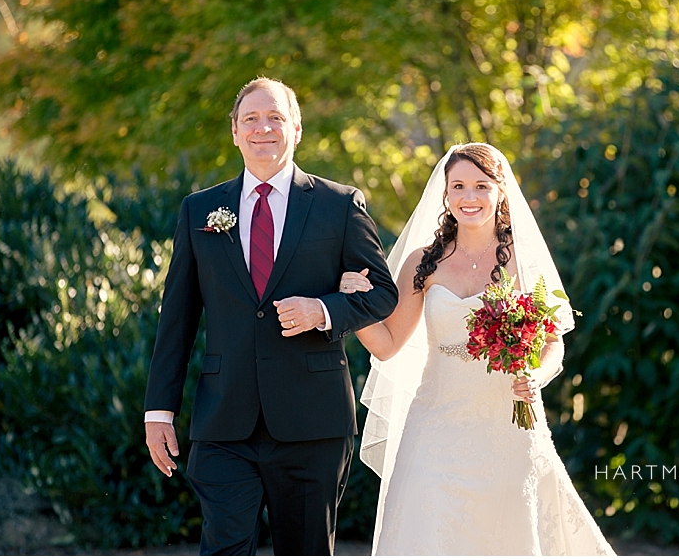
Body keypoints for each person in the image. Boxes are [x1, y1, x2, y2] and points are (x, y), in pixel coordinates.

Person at [143, 77, 398, 555]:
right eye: (251, 119)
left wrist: (323, 309)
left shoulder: (339, 204)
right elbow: (176, 317)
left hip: (313, 423)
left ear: (296, 129)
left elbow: (383, 294)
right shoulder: (200, 210)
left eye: (276, 117)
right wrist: (160, 409)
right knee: (224, 547)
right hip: (223, 424)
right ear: (235, 132)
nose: (264, 128)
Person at [341, 143, 615, 555]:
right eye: (459, 186)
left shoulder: (523, 260)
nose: (469, 197)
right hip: (434, 424)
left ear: (500, 191)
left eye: (481, 186)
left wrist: (538, 375)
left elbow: (553, 341)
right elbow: (388, 344)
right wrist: (356, 304)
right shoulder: (423, 262)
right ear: (446, 194)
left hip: (508, 423)